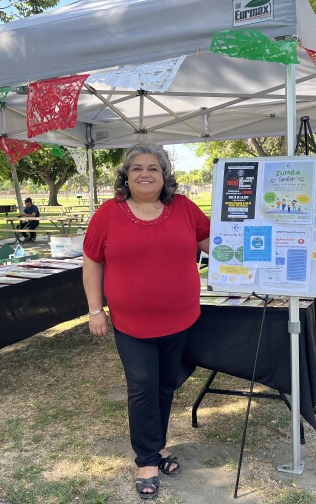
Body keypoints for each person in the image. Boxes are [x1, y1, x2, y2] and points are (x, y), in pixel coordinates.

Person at [82, 144, 210, 500]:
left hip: (181, 318)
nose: (145, 174)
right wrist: (96, 310)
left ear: (164, 174)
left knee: (166, 384)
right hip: (130, 323)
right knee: (142, 386)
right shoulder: (108, 214)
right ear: (125, 175)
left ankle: (158, 445)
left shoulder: (184, 208)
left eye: (153, 168)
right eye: (137, 168)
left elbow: (215, 243)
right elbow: (92, 261)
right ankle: (147, 461)